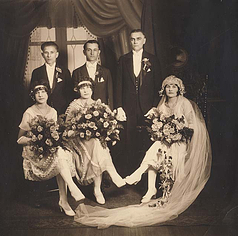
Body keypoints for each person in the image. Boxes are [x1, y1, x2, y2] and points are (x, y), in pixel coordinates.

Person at [74, 75, 211, 228]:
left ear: (179, 89)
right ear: (164, 89)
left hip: (180, 141)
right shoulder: (162, 104)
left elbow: (192, 126)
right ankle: (150, 187)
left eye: (174, 86)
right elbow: (157, 123)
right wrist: (161, 133)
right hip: (165, 140)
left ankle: (138, 174)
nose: (170, 89)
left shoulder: (185, 103)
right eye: (168, 86)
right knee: (154, 150)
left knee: (162, 152)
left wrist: (177, 134)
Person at [17, 81, 85, 216]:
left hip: (49, 149)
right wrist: (35, 140)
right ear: (33, 96)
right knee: (60, 156)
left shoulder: (53, 112)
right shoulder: (29, 112)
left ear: (48, 94)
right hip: (34, 150)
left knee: (61, 155)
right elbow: (19, 139)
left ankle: (64, 200)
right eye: (37, 92)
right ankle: (67, 195)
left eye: (43, 92)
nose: (41, 95)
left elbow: (53, 134)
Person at [65, 77, 126, 205]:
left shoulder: (98, 105)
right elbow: (68, 126)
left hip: (93, 139)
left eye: (88, 87)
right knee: (97, 144)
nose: (85, 90)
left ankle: (97, 189)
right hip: (78, 138)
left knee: (97, 144)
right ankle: (111, 174)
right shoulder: (74, 105)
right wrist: (79, 129)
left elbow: (108, 122)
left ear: (92, 89)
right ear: (78, 90)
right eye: (82, 88)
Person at [114, 29, 162, 173]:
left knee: (148, 138)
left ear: (144, 40)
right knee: (130, 138)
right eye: (133, 39)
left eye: (138, 39)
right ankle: (131, 171)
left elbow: (157, 85)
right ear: (130, 41)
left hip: (147, 106)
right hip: (128, 106)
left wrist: (155, 106)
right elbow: (118, 85)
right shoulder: (123, 59)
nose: (135, 42)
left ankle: (147, 173)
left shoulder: (152, 59)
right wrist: (119, 106)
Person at [30, 41, 74, 115]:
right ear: (42, 54)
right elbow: (33, 93)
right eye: (46, 52)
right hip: (43, 111)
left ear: (56, 54)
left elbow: (69, 93)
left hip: (62, 110)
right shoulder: (37, 72)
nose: (49, 55)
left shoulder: (65, 71)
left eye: (52, 52)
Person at [72, 40, 113, 109]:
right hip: (82, 111)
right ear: (84, 52)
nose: (92, 53)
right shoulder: (77, 72)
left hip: (102, 111)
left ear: (99, 52)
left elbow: (110, 94)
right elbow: (74, 95)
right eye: (89, 50)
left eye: (95, 50)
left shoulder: (106, 72)